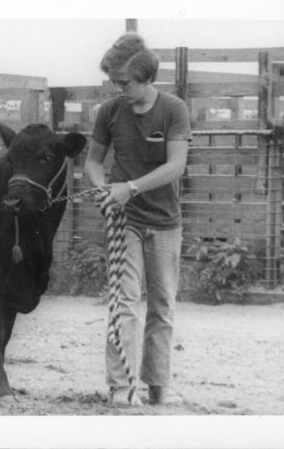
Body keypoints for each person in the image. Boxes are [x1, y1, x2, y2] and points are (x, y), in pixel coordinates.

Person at [84, 33, 191, 406]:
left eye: (124, 82)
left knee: (163, 305)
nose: (118, 88)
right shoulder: (110, 112)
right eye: (114, 81)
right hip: (124, 221)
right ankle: (121, 386)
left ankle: (158, 384)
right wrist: (102, 187)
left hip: (164, 223)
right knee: (124, 303)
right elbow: (94, 163)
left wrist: (129, 186)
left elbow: (176, 166)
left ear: (146, 77)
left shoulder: (174, 109)